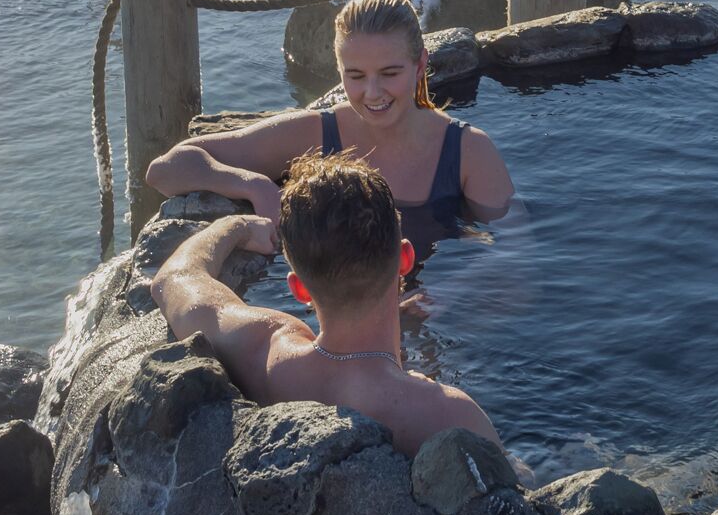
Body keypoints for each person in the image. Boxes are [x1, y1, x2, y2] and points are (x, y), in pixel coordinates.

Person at [149, 153, 498, 457]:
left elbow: (174, 279)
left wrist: (236, 226)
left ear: (299, 289)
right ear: (405, 258)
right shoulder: (447, 413)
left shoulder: (267, 353)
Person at [144, 0, 514, 247]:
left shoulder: (468, 151)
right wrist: (254, 186)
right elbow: (166, 169)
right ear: (338, 70)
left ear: (420, 65)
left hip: (433, 309)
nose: (372, 93)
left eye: (389, 73)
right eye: (355, 76)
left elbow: (513, 251)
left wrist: (448, 297)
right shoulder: (316, 134)